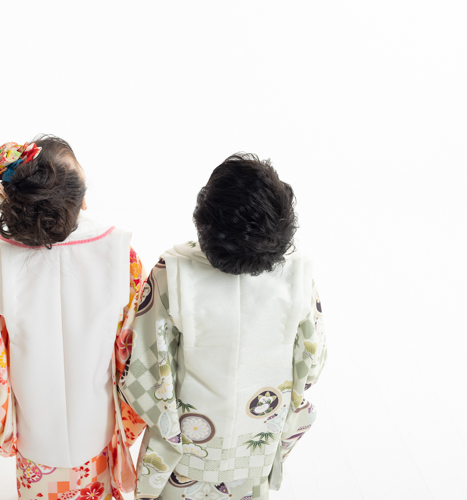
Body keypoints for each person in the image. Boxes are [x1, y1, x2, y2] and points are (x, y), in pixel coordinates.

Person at [122, 153, 326, 500]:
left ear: (204, 218)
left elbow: (143, 370)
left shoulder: (173, 273)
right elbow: (312, 363)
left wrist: (168, 431)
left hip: (187, 451)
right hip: (256, 449)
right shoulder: (298, 277)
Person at [0, 135, 145, 500]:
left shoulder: (2, 261)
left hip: (35, 429)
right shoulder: (118, 251)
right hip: (97, 421)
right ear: (80, 199)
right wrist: (132, 413)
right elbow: (134, 343)